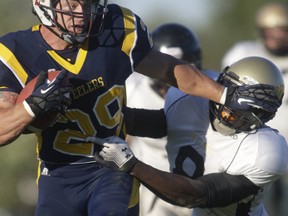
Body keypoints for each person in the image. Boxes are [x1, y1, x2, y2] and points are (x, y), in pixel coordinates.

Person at [0, 0, 273, 215]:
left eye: (88, 4)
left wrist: (224, 94)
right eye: (72, 6)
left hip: (111, 167)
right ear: (45, 4)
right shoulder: (15, 51)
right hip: (58, 171)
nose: (82, 13)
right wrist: (31, 108)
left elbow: (169, 69)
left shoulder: (114, 29)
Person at [91, 56, 288, 216]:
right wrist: (93, 115)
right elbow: (164, 123)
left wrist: (131, 165)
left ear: (265, 115)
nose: (228, 113)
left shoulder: (265, 150)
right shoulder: (191, 101)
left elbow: (197, 195)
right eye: (230, 102)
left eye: (241, 111)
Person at [125, 23, 204, 216]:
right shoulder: (132, 87)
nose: (175, 82)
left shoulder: (210, 89)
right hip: (153, 184)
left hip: (203, 185)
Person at [221, 2, 288, 214]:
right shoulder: (244, 53)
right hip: (251, 142)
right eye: (272, 31)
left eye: (283, 31)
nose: (278, 36)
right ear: (261, 31)